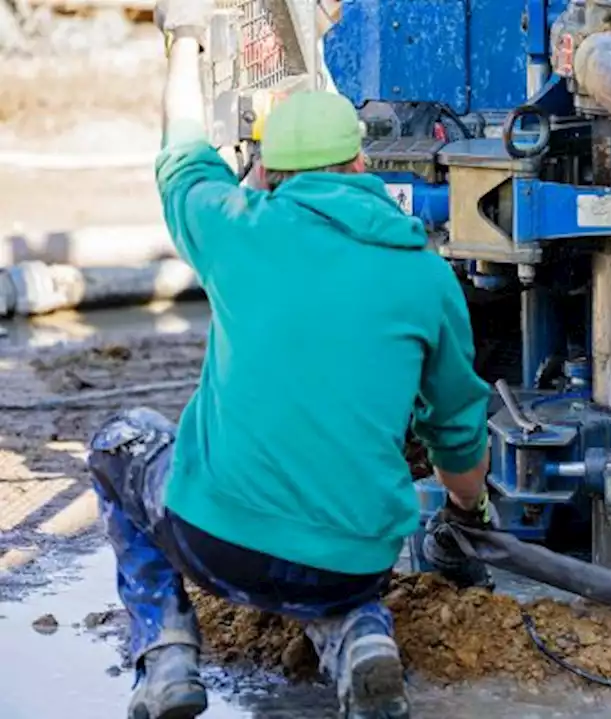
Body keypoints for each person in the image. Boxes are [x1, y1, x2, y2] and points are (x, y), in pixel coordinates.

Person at [87, 3, 498, 718]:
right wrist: (471, 511)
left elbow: (181, 145)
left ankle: (168, 655)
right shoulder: (426, 274)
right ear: (363, 163)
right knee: (335, 555)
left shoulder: (234, 229)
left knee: (119, 440)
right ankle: (360, 637)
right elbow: (457, 435)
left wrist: (183, 40)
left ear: (268, 167)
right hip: (350, 560)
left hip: (214, 543)